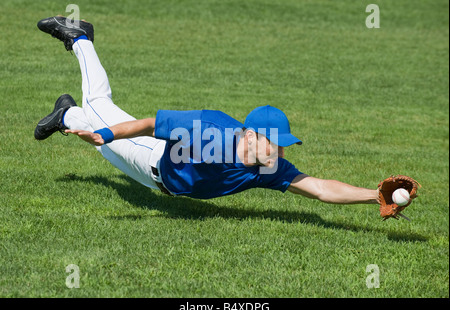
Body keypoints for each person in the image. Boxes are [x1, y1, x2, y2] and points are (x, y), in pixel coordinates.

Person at [35, 16, 380, 205]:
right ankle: (80, 38)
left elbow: (321, 188)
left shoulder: (268, 169)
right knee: (99, 107)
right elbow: (149, 125)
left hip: (159, 186)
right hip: (150, 156)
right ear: (249, 135)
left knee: (96, 140)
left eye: (282, 143)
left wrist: (375, 195)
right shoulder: (209, 128)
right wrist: (107, 132)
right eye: (273, 142)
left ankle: (65, 114)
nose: (280, 150)